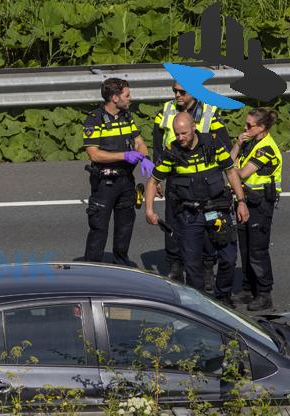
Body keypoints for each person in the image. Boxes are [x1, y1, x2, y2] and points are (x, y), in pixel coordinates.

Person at [144, 112, 249, 305]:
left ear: (194, 128)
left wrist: (241, 202)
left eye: (184, 133)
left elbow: (231, 172)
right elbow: (152, 181)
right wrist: (149, 210)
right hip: (190, 215)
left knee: (228, 257)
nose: (180, 138)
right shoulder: (172, 152)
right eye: (177, 134)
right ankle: (199, 306)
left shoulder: (214, 144)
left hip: (217, 209)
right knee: (192, 265)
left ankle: (223, 299)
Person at [153, 81, 231, 285]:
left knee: (205, 224)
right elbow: (157, 144)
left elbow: (223, 142)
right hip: (175, 173)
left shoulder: (209, 112)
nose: (177, 95)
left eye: (182, 91)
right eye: (174, 91)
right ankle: (175, 265)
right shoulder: (167, 110)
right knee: (173, 223)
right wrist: (158, 175)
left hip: (203, 176)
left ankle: (207, 266)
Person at [82, 78, 152, 265]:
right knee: (99, 228)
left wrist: (145, 157)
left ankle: (121, 263)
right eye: (127, 95)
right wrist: (124, 156)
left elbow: (139, 141)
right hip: (105, 183)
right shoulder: (94, 119)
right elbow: (94, 154)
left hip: (126, 181)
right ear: (114, 98)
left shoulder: (127, 116)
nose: (130, 99)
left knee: (125, 226)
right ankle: (92, 268)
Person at [229, 108, 282, 311]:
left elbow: (240, 173)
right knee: (245, 247)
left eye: (250, 125)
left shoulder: (266, 148)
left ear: (262, 127)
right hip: (245, 201)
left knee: (257, 250)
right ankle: (248, 288)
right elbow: (229, 161)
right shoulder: (250, 142)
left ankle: (263, 293)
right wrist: (238, 143)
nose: (245, 127)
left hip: (260, 204)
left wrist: (231, 168)